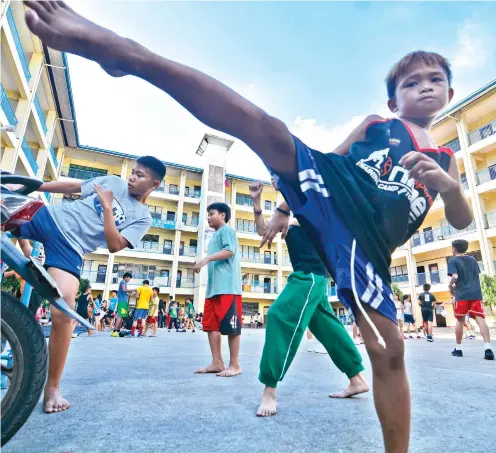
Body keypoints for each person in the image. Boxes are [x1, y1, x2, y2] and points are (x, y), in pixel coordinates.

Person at [23, 8, 473, 447]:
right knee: (266, 129)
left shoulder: (446, 161)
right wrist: (284, 205)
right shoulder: (380, 125)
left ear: (449, 92)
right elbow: (332, 156)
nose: (425, 87)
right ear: (395, 101)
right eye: (411, 82)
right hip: (340, 188)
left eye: (434, 80)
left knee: (389, 351)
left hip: (370, 246)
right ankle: (130, 55)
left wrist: (449, 188)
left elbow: (461, 221)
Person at [9, 135, 164, 412]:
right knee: (2, 207)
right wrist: (38, 185)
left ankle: (53, 388)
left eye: (139, 176)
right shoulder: (113, 181)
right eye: (132, 173)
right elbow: (75, 186)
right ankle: (23, 239)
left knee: (63, 312)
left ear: (154, 184)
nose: (131, 179)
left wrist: (107, 208)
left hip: (70, 248)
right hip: (49, 217)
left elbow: (115, 245)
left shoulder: (143, 218)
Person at [249, 180, 368, 417]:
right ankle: (357, 379)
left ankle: (270, 390)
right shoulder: (286, 215)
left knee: (279, 316)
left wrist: (287, 195)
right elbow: (264, 230)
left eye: (280, 179)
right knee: (327, 328)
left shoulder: (312, 209)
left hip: (311, 276)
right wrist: (256, 201)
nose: (275, 181)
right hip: (309, 278)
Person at [193, 202, 242, 377]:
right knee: (210, 326)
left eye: (211, 213)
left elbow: (230, 251)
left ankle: (234, 365)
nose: (208, 217)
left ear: (222, 215)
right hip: (213, 289)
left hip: (228, 288)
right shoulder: (214, 236)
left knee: (231, 327)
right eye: (208, 214)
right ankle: (217, 362)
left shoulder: (227, 231)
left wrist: (206, 259)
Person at [448, 239, 494, 360]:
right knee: (481, 319)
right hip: (475, 294)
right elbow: (475, 275)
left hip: (462, 295)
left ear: (453, 248)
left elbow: (455, 276)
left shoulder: (452, 260)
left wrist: (450, 286)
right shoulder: (473, 260)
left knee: (460, 320)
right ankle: (488, 348)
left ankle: (458, 349)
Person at [111, 272, 134, 337]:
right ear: (126, 277)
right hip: (122, 302)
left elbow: (125, 292)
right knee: (120, 316)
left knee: (121, 317)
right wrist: (133, 289)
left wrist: (130, 294)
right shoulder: (123, 282)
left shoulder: (124, 283)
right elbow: (124, 290)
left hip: (124, 302)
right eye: (129, 278)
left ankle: (117, 331)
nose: (129, 280)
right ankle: (115, 331)